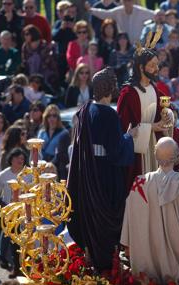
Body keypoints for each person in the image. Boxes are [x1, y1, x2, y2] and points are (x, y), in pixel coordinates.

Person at [67, 67, 137, 272]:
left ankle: (92, 261)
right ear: (110, 89)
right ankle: (107, 269)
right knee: (106, 224)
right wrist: (129, 136)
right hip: (105, 175)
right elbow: (116, 151)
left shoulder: (85, 110)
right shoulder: (109, 115)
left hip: (88, 173)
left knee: (91, 220)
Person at [121, 137, 179, 283]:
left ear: (155, 155)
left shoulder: (139, 184)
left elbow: (129, 226)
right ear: (178, 157)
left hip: (147, 268)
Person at [117, 36, 174, 190]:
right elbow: (124, 128)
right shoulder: (128, 93)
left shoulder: (154, 89)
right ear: (141, 68)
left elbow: (167, 110)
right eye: (152, 65)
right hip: (138, 152)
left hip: (155, 146)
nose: (156, 69)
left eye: (157, 65)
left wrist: (167, 115)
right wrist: (151, 127)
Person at [0, 148, 27, 274]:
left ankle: (24, 265)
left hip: (24, 212)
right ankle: (13, 265)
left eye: (22, 159)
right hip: (9, 211)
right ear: (11, 159)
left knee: (24, 239)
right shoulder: (3, 175)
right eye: (18, 158)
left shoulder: (27, 174)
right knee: (11, 237)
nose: (20, 161)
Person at [87, 0, 155, 43]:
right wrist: (91, 10)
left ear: (133, 1)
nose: (127, 2)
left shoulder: (141, 11)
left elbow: (154, 15)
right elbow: (105, 14)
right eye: (125, 0)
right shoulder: (118, 11)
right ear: (122, 1)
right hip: (123, 45)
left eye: (129, 0)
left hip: (138, 44)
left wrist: (161, 14)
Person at [38, 105, 71, 180]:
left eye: (54, 115)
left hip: (55, 169)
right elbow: (38, 150)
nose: (51, 118)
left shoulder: (64, 133)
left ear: (58, 118)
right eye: (49, 115)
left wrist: (49, 165)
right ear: (46, 117)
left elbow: (61, 154)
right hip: (41, 167)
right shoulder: (41, 132)